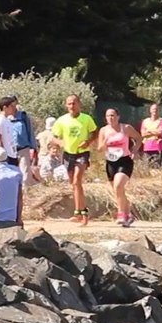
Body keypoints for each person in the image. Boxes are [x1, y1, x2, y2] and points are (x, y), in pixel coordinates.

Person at [51, 95, 98, 225]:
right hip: (68, 154)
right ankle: (78, 212)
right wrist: (59, 142)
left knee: (77, 180)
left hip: (82, 153)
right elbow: (54, 137)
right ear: (66, 105)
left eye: (74, 103)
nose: (72, 106)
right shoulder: (61, 120)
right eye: (69, 104)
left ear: (79, 104)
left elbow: (95, 132)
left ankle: (83, 214)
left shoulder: (86, 118)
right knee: (74, 184)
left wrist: (88, 142)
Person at [98, 108, 142, 227]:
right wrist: (105, 141)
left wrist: (134, 150)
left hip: (124, 161)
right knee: (118, 191)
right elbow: (99, 149)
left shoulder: (126, 128)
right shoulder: (103, 130)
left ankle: (121, 214)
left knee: (118, 185)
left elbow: (139, 138)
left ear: (118, 116)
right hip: (111, 163)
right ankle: (128, 215)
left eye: (113, 115)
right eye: (108, 116)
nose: (110, 118)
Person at [10, 95, 41, 186]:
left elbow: (30, 130)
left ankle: (26, 192)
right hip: (10, 149)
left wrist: (33, 146)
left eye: (13, 101)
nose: (11, 104)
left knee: (25, 171)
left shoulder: (23, 116)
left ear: (16, 103)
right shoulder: (5, 118)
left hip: (23, 147)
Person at [0, 96, 20, 166]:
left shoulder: (7, 120)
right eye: (12, 106)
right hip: (5, 155)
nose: (14, 108)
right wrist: (2, 154)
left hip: (12, 152)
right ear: (5, 107)